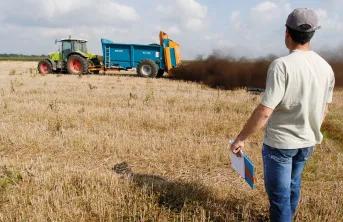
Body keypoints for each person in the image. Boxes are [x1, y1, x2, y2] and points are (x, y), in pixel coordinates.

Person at [230, 8, 335, 222]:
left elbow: (264, 112)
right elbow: (324, 110)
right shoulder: (326, 68)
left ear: (287, 32)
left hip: (280, 145)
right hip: (307, 144)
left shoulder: (281, 66)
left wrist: (241, 139)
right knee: (293, 185)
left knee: (279, 199)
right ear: (313, 34)